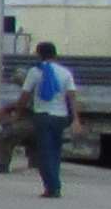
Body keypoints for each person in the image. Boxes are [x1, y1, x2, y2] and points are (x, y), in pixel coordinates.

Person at [22, 40, 80, 199]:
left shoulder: (35, 72)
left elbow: (25, 95)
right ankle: (54, 184)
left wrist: (18, 112)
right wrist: (76, 119)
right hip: (61, 117)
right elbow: (72, 97)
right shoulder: (65, 72)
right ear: (55, 54)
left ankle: (53, 187)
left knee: (45, 153)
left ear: (39, 54)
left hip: (42, 116)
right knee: (55, 151)